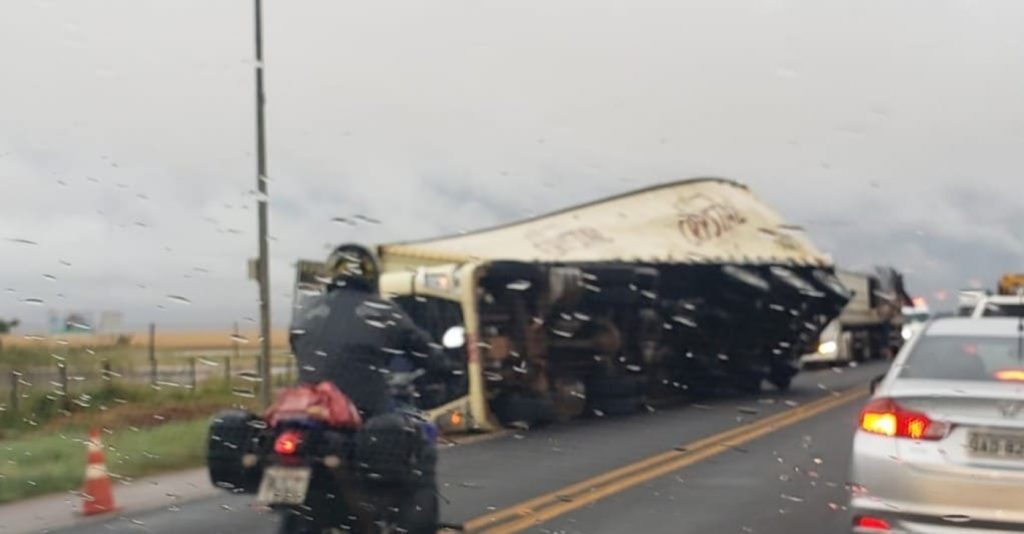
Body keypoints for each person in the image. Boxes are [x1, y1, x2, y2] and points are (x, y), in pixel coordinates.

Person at [290, 243, 452, 418]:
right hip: (365, 411)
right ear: (372, 275)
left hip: (310, 409)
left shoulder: (306, 310)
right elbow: (421, 348)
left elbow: (297, 348)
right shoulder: (384, 310)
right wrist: (447, 368)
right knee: (416, 427)